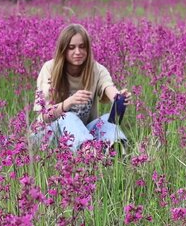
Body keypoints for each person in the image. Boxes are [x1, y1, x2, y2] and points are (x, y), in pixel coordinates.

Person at [33, 23, 131, 152]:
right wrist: (70, 102)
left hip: (83, 133)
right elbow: (45, 116)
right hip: (48, 135)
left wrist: (118, 97)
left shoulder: (96, 69)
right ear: (63, 49)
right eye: (71, 48)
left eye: (82, 47)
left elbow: (107, 86)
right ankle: (88, 154)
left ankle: (117, 151)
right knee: (67, 117)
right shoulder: (49, 68)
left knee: (108, 120)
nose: (78, 52)